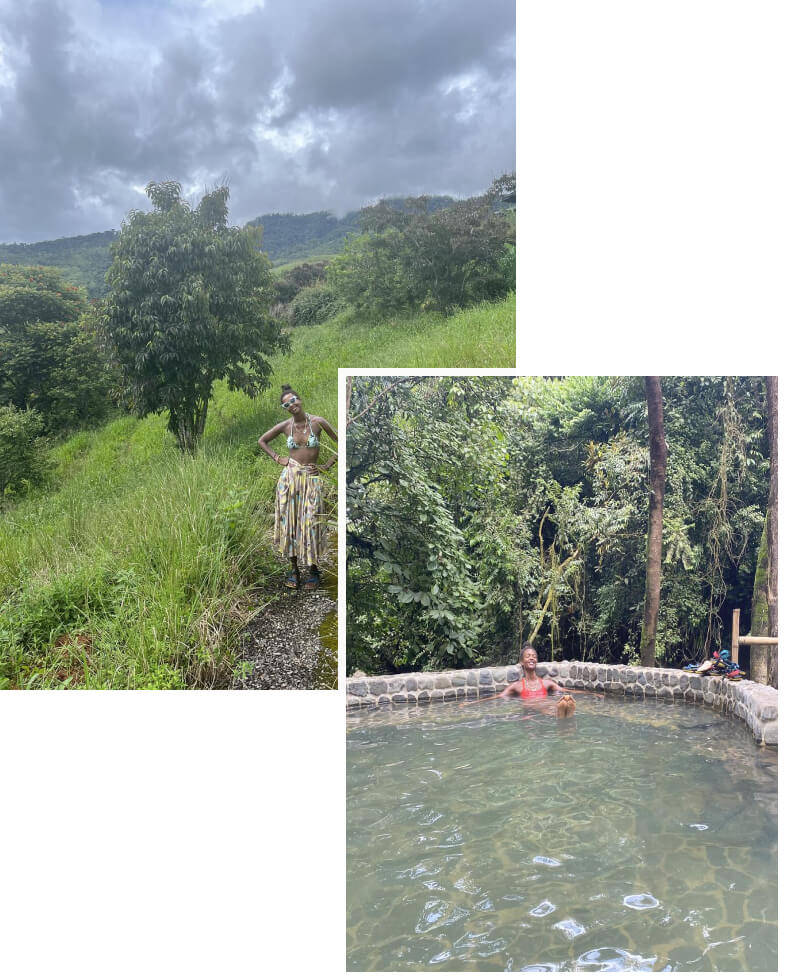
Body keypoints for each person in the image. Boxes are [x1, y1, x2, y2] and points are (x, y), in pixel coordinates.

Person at [257, 384, 338, 589]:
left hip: (311, 479)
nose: (291, 405)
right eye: (286, 404)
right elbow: (262, 440)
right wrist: (277, 457)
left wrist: (326, 466)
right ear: (285, 408)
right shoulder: (285, 426)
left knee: (312, 522)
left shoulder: (318, 423)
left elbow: (342, 442)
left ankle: (313, 570)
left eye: (293, 401)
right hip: (290, 479)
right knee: (290, 523)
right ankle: (293, 570)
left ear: (300, 400)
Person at [461, 644, 604, 717]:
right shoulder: (517, 686)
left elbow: (567, 690)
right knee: (542, 705)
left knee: (562, 699)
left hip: (548, 705)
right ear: (522, 661)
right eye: (528, 656)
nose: (531, 658)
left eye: (534, 656)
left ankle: (562, 712)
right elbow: (498, 697)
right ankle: (562, 713)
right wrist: (471, 703)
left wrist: (592, 694)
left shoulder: (546, 683)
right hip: (534, 710)